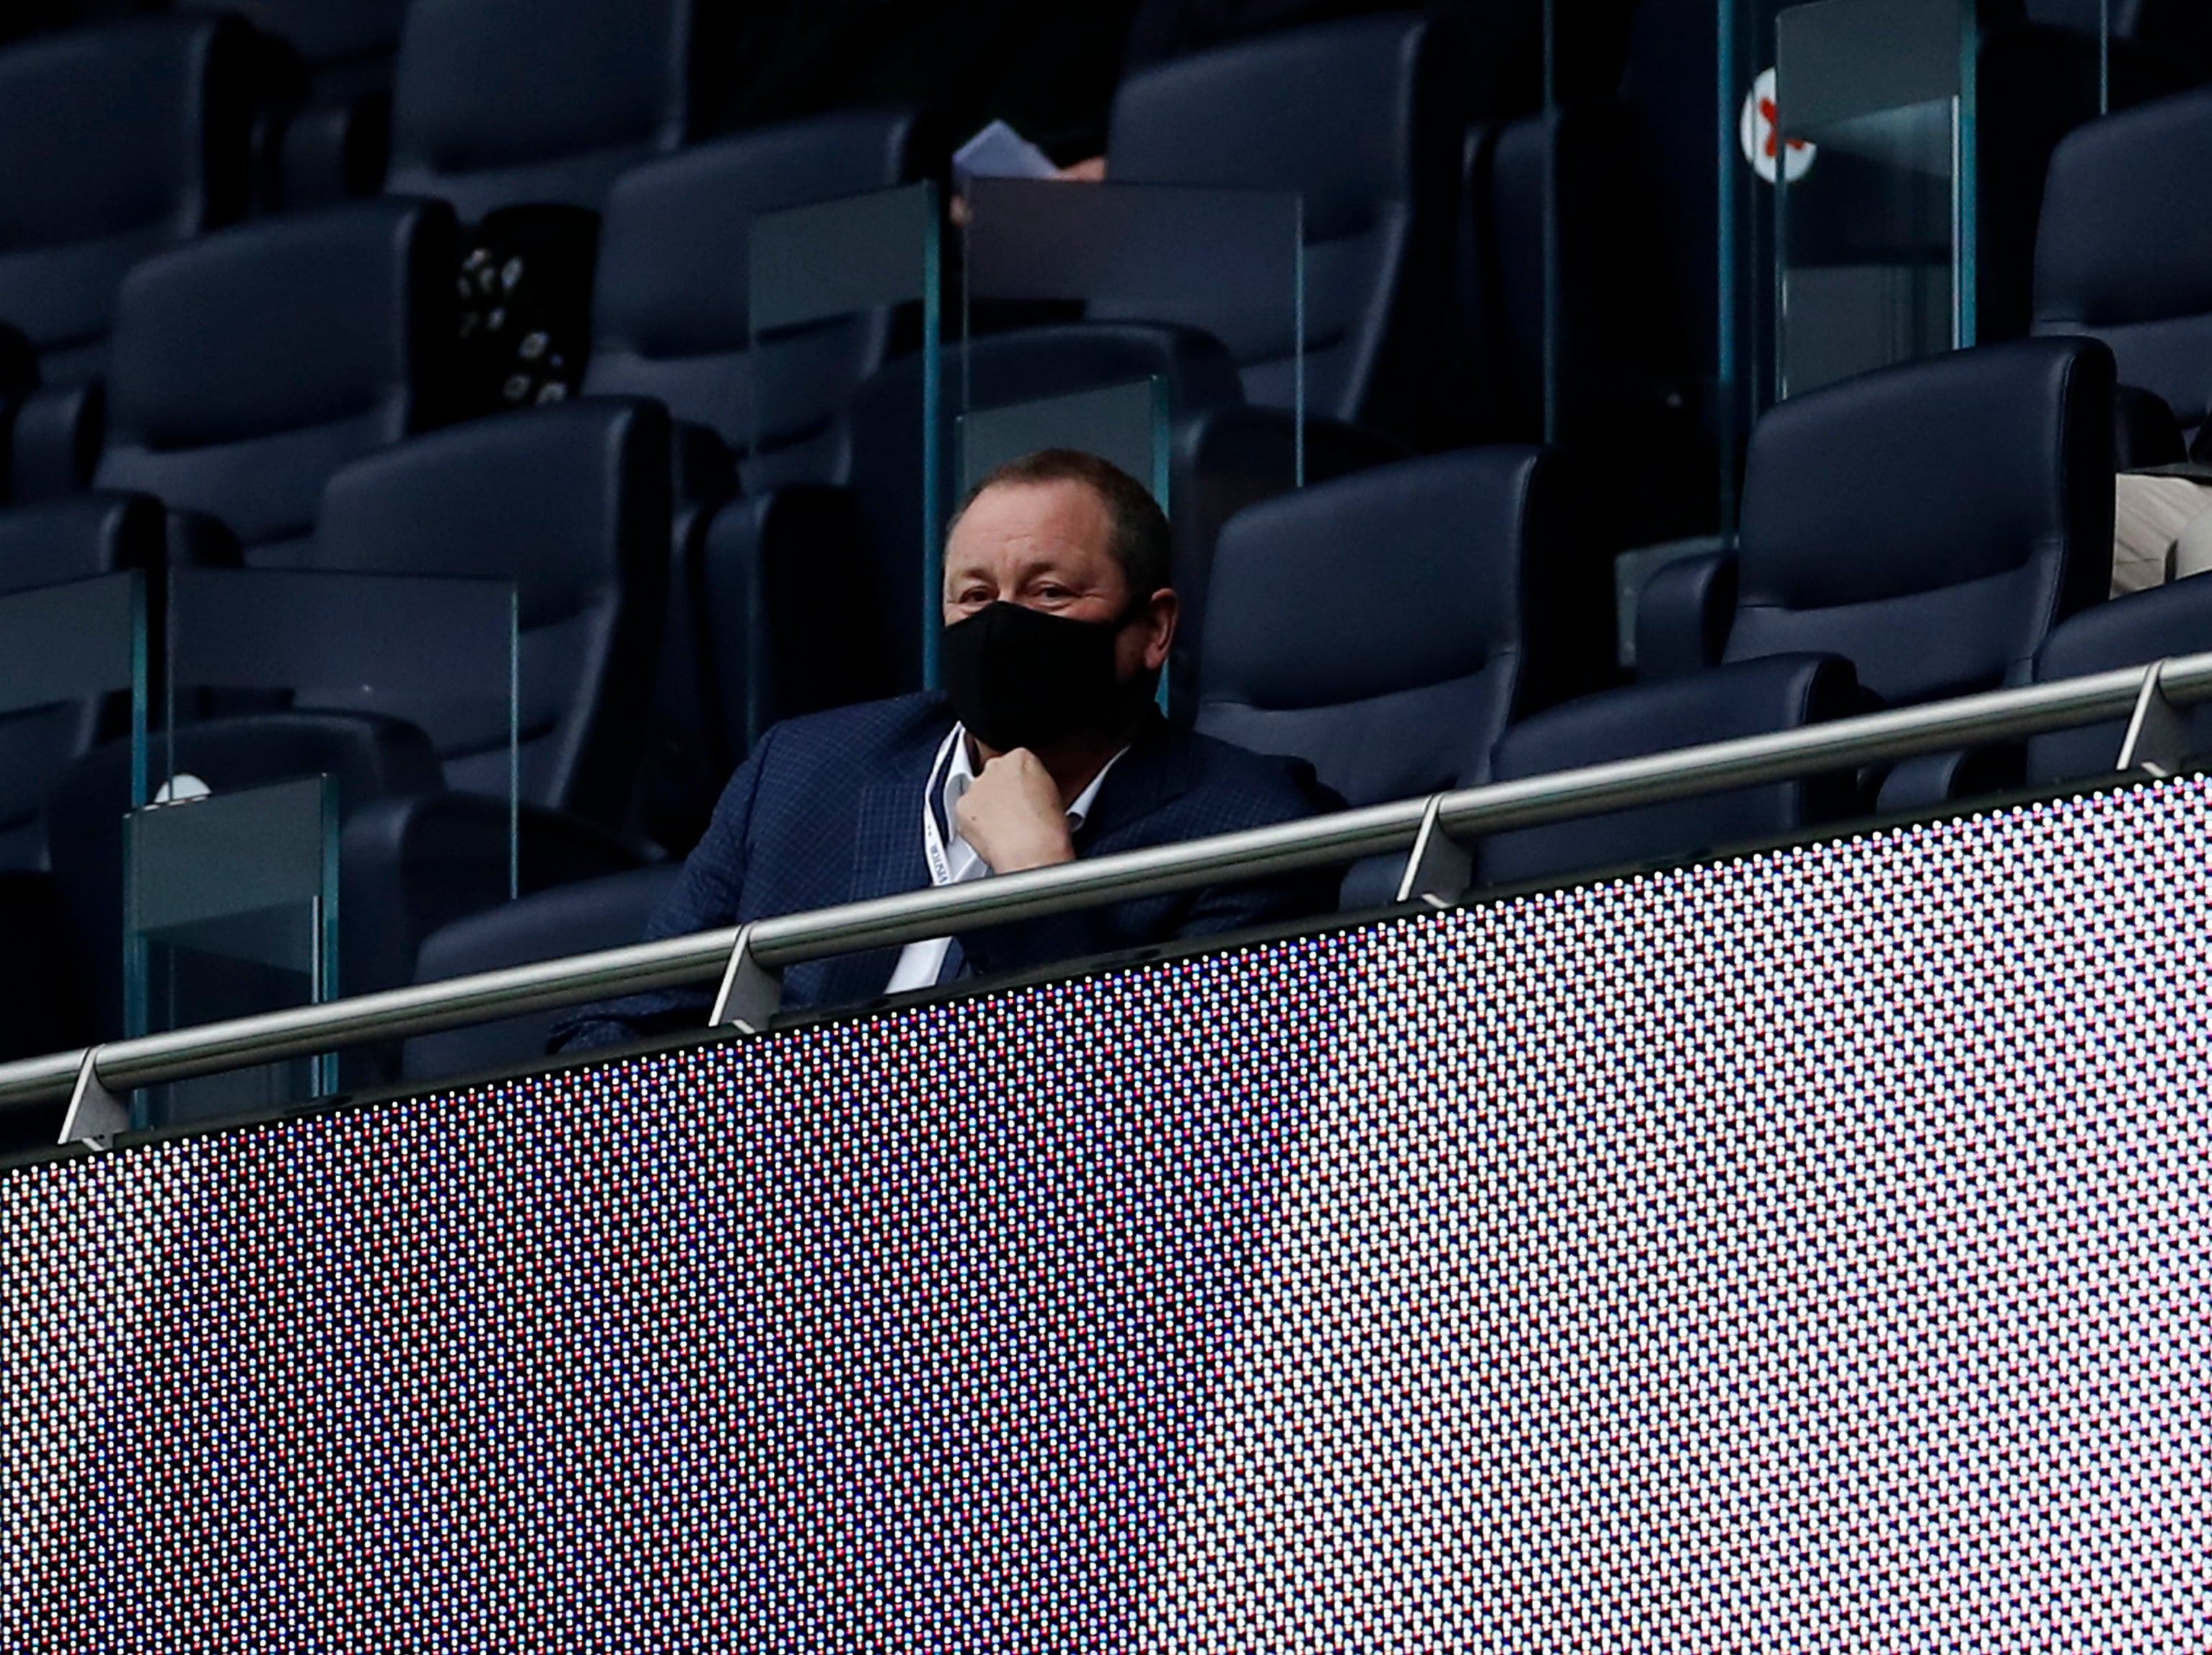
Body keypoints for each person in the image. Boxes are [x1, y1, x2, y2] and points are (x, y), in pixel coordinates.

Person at [552, 449, 1339, 1050]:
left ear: (1154, 630)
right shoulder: (804, 773)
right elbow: (610, 1032)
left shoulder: (1251, 831)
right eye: (974, 596)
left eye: (1049, 593)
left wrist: (1035, 881)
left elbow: (1166, 1116)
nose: (1002, 624)